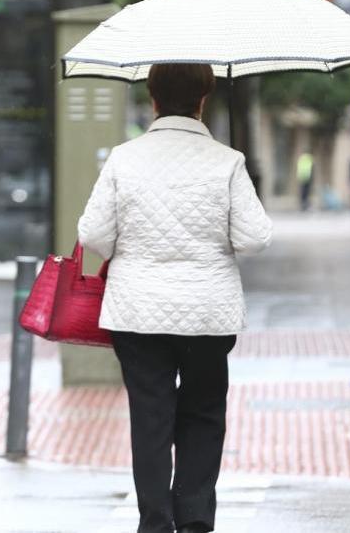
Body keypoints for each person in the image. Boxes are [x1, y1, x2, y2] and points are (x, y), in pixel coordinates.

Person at [77, 63, 273, 533]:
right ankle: (196, 519)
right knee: (204, 413)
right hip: (208, 312)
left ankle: (156, 522)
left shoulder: (124, 158)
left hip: (137, 312)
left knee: (150, 417)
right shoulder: (227, 161)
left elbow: (93, 234)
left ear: (153, 98)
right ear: (203, 99)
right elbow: (255, 237)